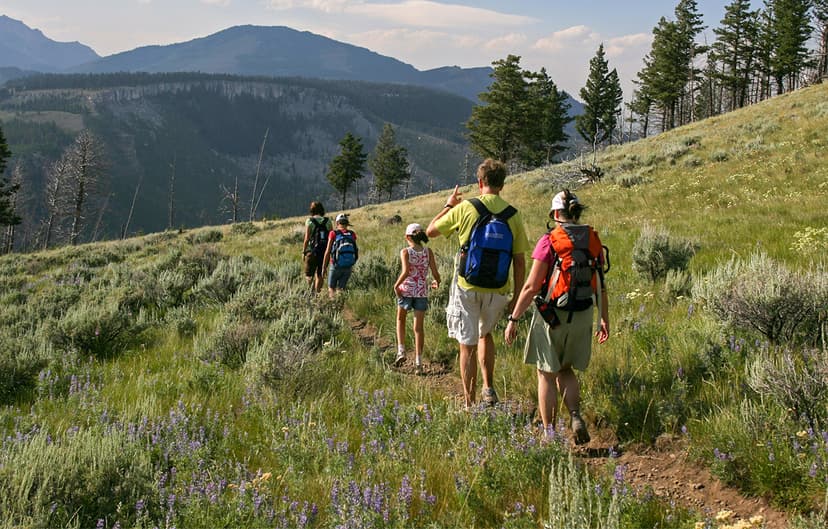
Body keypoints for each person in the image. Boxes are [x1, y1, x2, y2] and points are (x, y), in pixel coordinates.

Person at [504, 190, 609, 445]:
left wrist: (514, 318)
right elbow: (601, 284)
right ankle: (575, 416)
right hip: (583, 313)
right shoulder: (593, 239)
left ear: (554, 214)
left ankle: (549, 434)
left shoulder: (549, 241)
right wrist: (604, 319)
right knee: (566, 370)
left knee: (546, 374)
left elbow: (531, 286)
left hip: (552, 315)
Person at [426, 158, 529, 408]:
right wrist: (516, 297)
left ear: (480, 182)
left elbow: (429, 232)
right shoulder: (512, 215)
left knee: (467, 345)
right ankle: (489, 387)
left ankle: (469, 404)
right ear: (502, 185)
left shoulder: (466, 208)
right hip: (498, 289)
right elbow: (519, 261)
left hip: (467, 286)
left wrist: (448, 205)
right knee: (486, 335)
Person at [393, 223, 441, 374]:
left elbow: (406, 271)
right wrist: (437, 282)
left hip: (406, 290)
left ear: (408, 237)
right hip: (421, 291)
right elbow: (435, 271)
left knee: (401, 320)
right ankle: (418, 362)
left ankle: (401, 351)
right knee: (418, 328)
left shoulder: (405, 252)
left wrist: (396, 286)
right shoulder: (428, 252)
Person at [322, 213, 358, 298]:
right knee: (341, 289)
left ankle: (333, 306)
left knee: (331, 288)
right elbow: (355, 249)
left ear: (337, 223)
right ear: (347, 223)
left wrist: (324, 267)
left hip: (335, 265)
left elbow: (327, 251)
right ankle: (340, 305)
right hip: (348, 265)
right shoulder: (352, 234)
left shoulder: (333, 233)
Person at [302, 201, 333, 292]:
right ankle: (317, 294)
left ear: (312, 210)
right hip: (324, 252)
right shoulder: (328, 221)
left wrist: (304, 251)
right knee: (320, 274)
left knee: (309, 274)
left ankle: (309, 292)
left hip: (311, 252)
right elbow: (331, 236)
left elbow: (307, 238)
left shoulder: (309, 221)